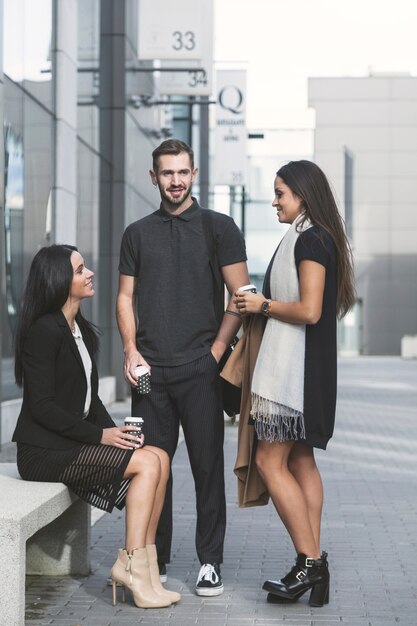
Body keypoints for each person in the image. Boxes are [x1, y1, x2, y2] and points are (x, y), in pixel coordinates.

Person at [12, 244, 181, 610]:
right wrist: (100, 436)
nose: (89, 273)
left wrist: (117, 433)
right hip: (42, 451)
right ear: (58, 280)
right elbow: (41, 407)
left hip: (69, 442)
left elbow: (91, 400)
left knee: (158, 456)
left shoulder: (80, 330)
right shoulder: (44, 331)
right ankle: (131, 567)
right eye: (79, 269)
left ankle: (147, 570)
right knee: (148, 464)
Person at [116, 139, 249, 596]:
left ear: (195, 174)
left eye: (182, 172)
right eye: (166, 173)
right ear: (153, 177)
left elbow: (241, 297)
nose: (175, 181)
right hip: (150, 372)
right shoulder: (136, 233)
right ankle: (156, 559)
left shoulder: (219, 228)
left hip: (200, 369)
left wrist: (215, 351)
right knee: (154, 466)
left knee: (208, 467)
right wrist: (131, 350)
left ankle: (209, 562)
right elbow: (125, 298)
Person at [234, 160, 355, 606]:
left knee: (269, 462)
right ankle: (313, 567)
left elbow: (309, 310)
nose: (274, 201)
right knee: (300, 462)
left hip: (295, 377)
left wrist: (261, 305)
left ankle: (310, 563)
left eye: (280, 192)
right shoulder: (313, 237)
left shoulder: (311, 240)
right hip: (303, 372)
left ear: (303, 195)